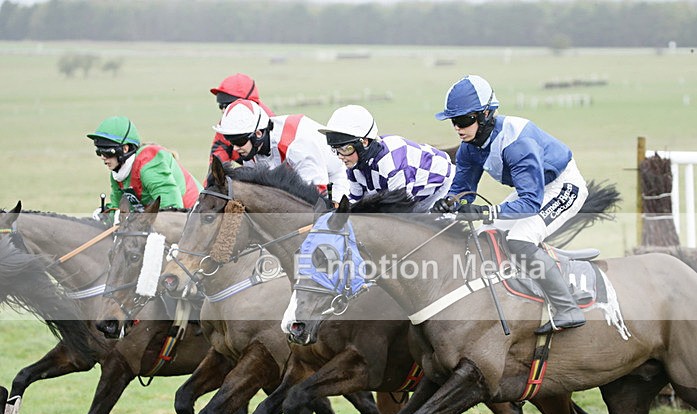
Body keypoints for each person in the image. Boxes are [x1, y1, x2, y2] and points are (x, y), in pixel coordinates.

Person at [434, 75, 588, 334]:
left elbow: (530, 202)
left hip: (562, 187)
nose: (458, 128)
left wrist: (485, 211)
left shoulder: (518, 144)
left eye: (463, 121)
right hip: (532, 190)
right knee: (484, 235)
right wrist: (448, 203)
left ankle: (567, 308)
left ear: (485, 115)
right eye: (453, 121)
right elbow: (463, 192)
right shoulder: (469, 147)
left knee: (519, 239)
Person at [318, 105, 454, 212]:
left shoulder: (392, 164)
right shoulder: (354, 166)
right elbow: (355, 202)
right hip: (414, 199)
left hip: (444, 189)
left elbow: (400, 213)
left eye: (346, 149)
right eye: (336, 150)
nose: (341, 157)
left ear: (364, 142)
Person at [212, 99, 348, 202]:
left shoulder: (297, 144)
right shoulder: (252, 148)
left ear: (258, 134)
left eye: (239, 142)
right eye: (231, 142)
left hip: (336, 179)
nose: (235, 149)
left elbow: (316, 195)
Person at [88, 116, 201, 218]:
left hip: (196, 216)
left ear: (125, 149)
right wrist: (105, 215)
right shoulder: (117, 175)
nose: (102, 157)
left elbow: (171, 209)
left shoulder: (149, 164)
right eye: (99, 152)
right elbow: (119, 211)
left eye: (107, 152)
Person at [209, 73, 275, 168]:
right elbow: (217, 156)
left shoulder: (269, 121)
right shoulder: (226, 124)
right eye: (221, 106)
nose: (224, 111)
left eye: (227, 105)